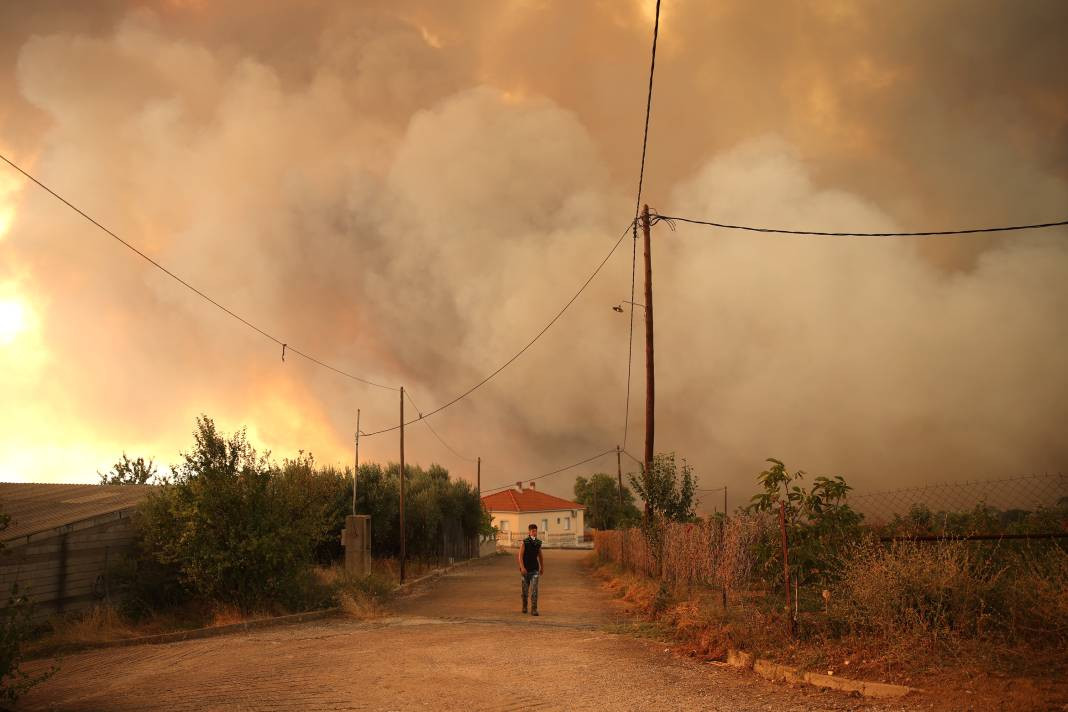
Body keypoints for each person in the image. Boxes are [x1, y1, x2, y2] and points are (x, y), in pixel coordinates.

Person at [517, 523, 544, 615]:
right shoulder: (525, 542)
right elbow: (520, 556)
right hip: (525, 570)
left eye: (536, 531)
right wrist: (522, 567)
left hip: (535, 570)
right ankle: (524, 606)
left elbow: (540, 556)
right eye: (533, 531)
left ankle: (534, 609)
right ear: (529, 532)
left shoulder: (538, 543)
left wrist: (542, 567)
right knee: (525, 591)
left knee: (534, 590)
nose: (534, 533)